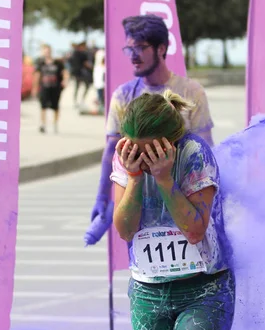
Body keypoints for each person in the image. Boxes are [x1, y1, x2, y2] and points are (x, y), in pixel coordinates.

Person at [111, 89, 234, 330]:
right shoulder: (125, 156)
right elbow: (125, 231)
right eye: (134, 149)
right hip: (147, 290)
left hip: (203, 289)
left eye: (150, 151)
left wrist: (164, 179)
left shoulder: (193, 152)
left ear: (170, 143)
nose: (141, 158)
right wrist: (133, 178)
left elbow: (194, 231)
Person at [89, 14, 215, 237]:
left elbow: (206, 149)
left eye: (140, 47)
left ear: (161, 48)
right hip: (143, 212)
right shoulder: (123, 95)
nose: (133, 56)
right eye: (129, 49)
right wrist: (102, 196)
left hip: (186, 200)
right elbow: (111, 150)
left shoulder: (191, 92)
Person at [32, 44, 68, 134]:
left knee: (55, 106)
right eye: (45, 51)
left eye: (48, 50)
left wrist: (65, 81)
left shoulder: (58, 63)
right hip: (44, 87)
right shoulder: (40, 62)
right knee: (43, 106)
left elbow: (64, 72)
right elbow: (37, 75)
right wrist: (35, 88)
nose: (47, 52)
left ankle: (55, 124)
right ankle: (43, 124)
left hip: (55, 87)